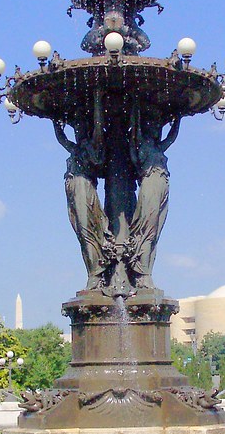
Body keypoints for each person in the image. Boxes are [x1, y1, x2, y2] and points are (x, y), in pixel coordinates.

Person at [53, 94, 115, 290]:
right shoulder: (76, 148)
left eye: (80, 128)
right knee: (81, 230)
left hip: (83, 187)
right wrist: (55, 121)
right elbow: (62, 139)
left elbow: (98, 127)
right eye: (76, 128)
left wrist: (97, 98)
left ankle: (97, 273)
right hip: (72, 188)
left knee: (87, 228)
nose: (77, 130)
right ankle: (93, 271)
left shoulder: (91, 146)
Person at [126, 110, 180, 289]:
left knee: (155, 229)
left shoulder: (157, 147)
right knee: (146, 229)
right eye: (154, 126)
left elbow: (171, 138)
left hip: (162, 185)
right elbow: (135, 134)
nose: (157, 129)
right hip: (149, 186)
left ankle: (145, 270)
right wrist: (135, 112)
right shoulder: (141, 144)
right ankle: (142, 274)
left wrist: (177, 119)